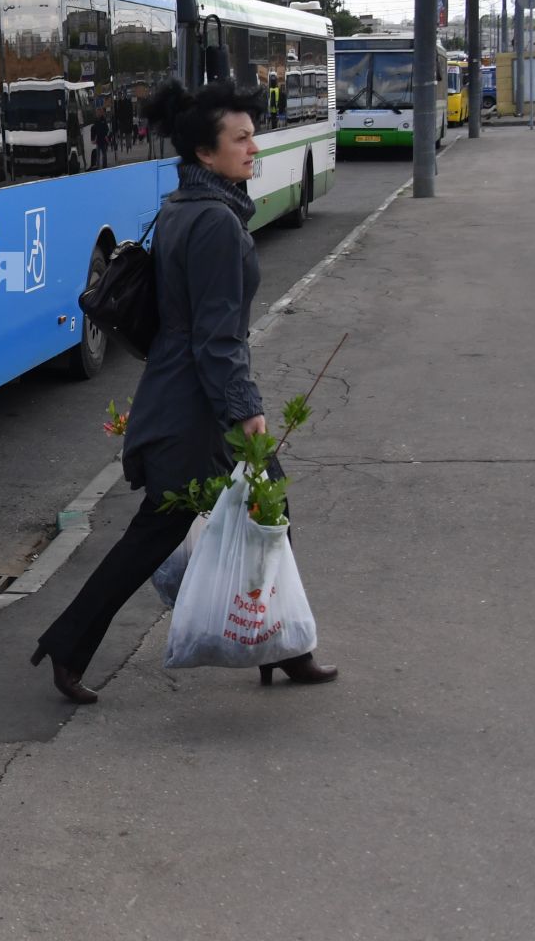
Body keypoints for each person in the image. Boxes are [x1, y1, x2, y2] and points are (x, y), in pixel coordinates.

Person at [31, 79, 338, 703]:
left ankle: (284, 647)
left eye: (254, 134)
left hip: (179, 394)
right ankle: (70, 643)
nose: (254, 145)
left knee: (262, 511)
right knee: (175, 527)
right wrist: (247, 414)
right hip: (198, 409)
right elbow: (218, 340)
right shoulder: (218, 225)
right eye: (242, 137)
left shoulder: (181, 207)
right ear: (207, 153)